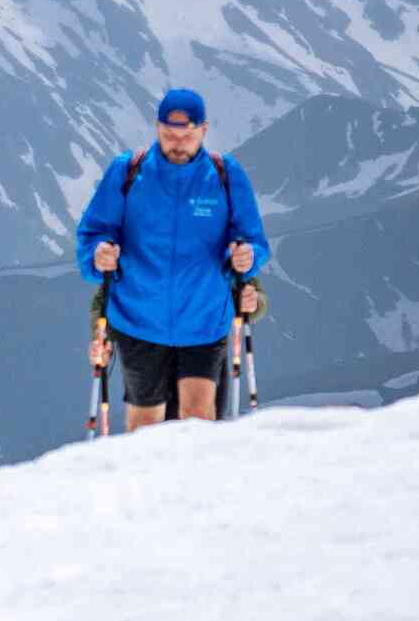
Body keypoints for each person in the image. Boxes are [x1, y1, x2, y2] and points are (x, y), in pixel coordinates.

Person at [73, 88, 271, 428]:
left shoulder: (224, 175)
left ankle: (196, 482)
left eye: (187, 136)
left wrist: (248, 256)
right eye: (168, 135)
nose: (177, 144)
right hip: (139, 318)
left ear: (204, 131)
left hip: (203, 317)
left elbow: (253, 240)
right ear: (157, 129)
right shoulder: (129, 172)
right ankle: (146, 482)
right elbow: (92, 234)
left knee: (198, 416)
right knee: (145, 423)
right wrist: (98, 254)